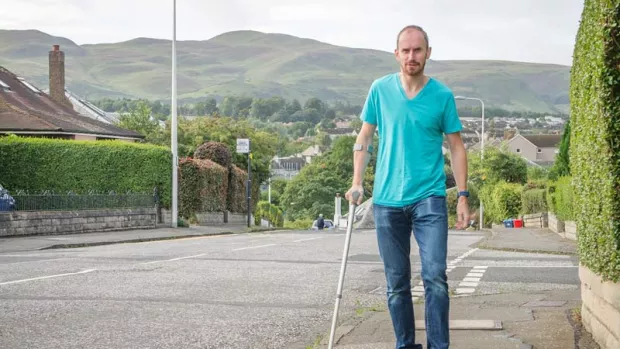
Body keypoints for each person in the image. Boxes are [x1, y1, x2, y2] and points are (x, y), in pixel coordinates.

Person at [345, 25, 469, 349]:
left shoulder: (441, 95)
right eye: (406, 50)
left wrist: (463, 196)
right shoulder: (380, 90)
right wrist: (357, 182)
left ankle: (438, 346)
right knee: (397, 283)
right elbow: (364, 137)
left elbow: (456, 146)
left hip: (429, 198)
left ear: (428, 52)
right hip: (387, 200)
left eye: (418, 50)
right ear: (396, 53)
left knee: (435, 277)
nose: (411, 56)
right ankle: (405, 344)